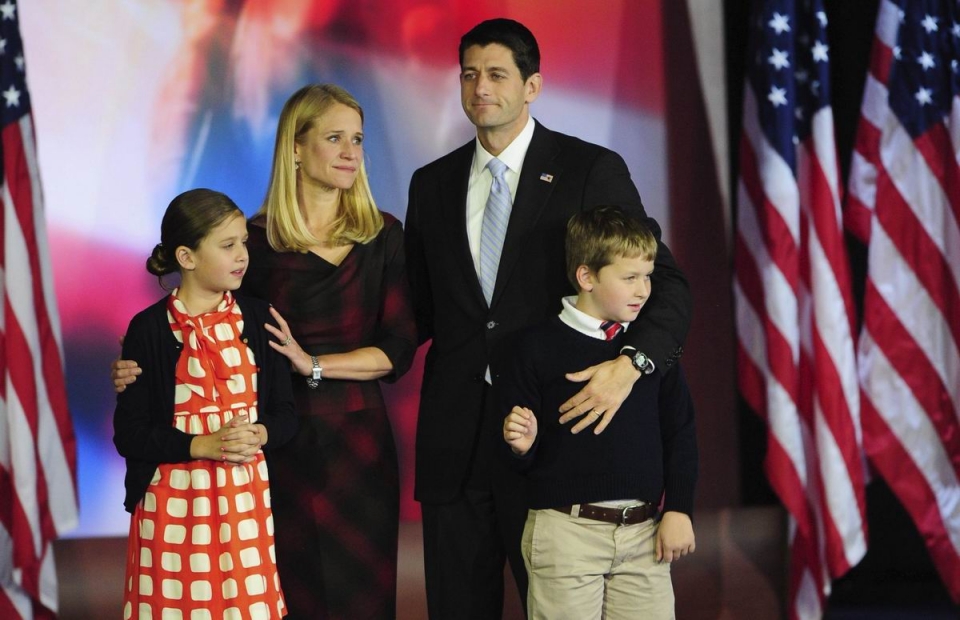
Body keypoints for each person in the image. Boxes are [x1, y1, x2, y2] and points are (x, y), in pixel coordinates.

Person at [404, 17, 692, 618]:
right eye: (470, 74)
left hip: (555, 441)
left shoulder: (590, 168)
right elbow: (421, 311)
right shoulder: (429, 185)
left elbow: (664, 283)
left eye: (498, 74)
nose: (481, 87)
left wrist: (633, 364)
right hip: (455, 444)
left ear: (532, 86)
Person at [114, 84, 417, 619]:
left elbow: (399, 348)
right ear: (295, 148)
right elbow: (202, 325)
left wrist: (314, 364)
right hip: (272, 449)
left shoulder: (385, 236)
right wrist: (142, 368)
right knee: (278, 597)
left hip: (360, 445)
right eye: (334, 138)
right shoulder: (251, 242)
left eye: (358, 139)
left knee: (364, 601)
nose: (351, 151)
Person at [502, 205, 698, 619]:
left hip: (645, 536)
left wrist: (678, 508)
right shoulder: (533, 347)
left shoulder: (653, 350)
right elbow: (518, 457)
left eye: (647, 276)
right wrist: (521, 445)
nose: (644, 290)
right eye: (629, 278)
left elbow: (680, 431)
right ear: (587, 277)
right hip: (566, 534)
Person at [113, 188, 298, 619]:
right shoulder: (149, 329)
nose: (241, 256)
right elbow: (130, 433)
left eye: (243, 244)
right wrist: (201, 445)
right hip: (173, 502)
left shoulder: (257, 317)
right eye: (227, 245)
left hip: (243, 504)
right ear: (187, 256)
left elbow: (287, 414)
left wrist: (262, 432)